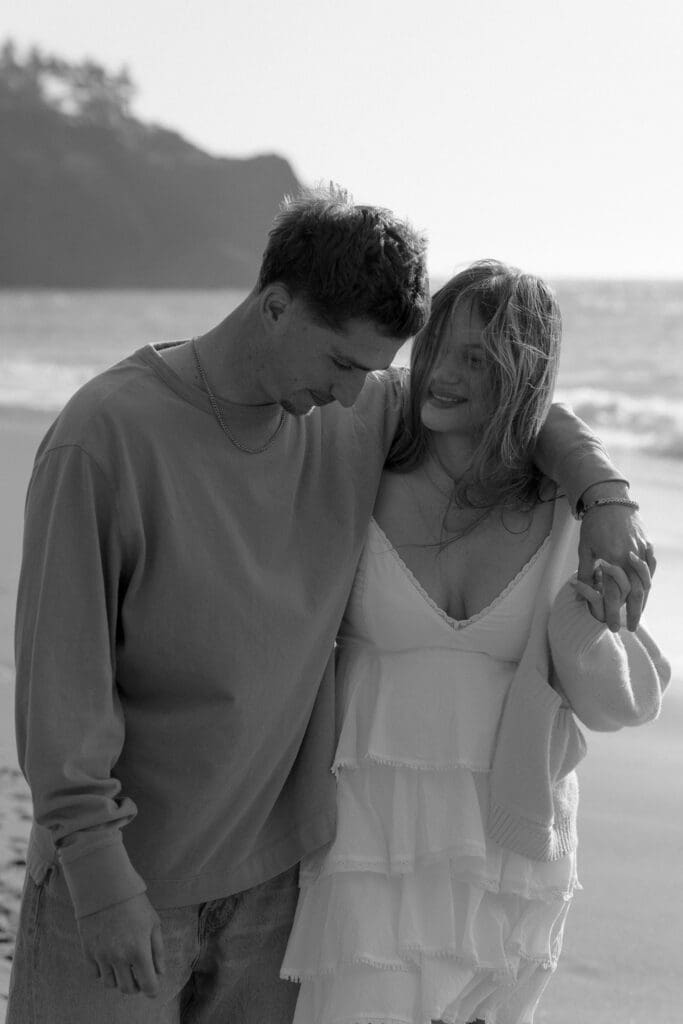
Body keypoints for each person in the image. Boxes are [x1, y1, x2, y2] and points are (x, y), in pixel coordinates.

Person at [8, 190, 654, 1024]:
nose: (359, 395)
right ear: (275, 305)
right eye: (344, 365)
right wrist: (100, 881)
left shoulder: (351, 406)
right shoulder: (104, 438)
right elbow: (59, 689)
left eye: (374, 371)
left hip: (278, 887)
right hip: (131, 878)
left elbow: (522, 405)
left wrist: (606, 499)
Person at [280, 260, 670, 1024]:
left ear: (521, 376)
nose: (443, 374)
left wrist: (603, 595)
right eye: (437, 347)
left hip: (510, 850)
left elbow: (604, 705)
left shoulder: (566, 511)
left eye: (477, 359)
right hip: (366, 839)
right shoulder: (361, 462)